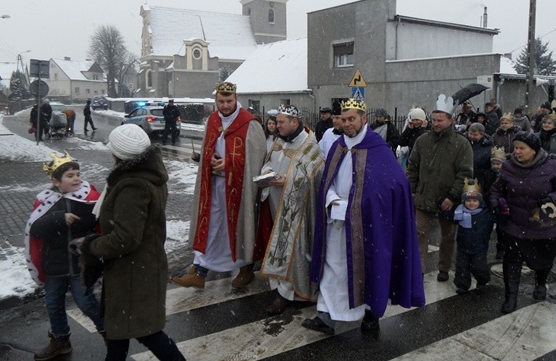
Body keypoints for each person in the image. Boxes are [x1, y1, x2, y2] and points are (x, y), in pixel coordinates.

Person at [303, 98, 424, 336]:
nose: (347, 124)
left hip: (369, 226)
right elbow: (328, 179)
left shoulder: (378, 148)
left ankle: (370, 316)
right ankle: (326, 316)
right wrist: (329, 199)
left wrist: (357, 206)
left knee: (370, 269)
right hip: (336, 222)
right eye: (344, 119)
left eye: (352, 119)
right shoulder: (338, 146)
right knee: (332, 269)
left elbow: (395, 184)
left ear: (363, 118)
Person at [85, 124, 186, 361]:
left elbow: (126, 238)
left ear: (119, 154)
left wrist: (92, 246)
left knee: (145, 333)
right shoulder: (148, 175)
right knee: (119, 334)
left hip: (133, 272)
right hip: (136, 268)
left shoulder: (133, 184)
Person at [173, 82, 266, 289]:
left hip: (240, 190)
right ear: (216, 100)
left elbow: (257, 159)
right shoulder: (213, 120)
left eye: (229, 101)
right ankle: (200, 271)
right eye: (221, 101)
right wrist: (211, 157)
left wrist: (230, 163)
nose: (225, 106)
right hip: (215, 185)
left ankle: (245, 269)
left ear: (237, 98)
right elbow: (208, 147)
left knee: (241, 227)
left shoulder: (250, 123)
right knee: (211, 225)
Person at [24, 152, 104, 360]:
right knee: (53, 303)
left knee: (86, 303)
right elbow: (35, 230)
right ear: (55, 181)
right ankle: (61, 340)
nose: (76, 178)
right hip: (55, 265)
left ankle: (109, 332)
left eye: (77, 174)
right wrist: (59, 218)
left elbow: (99, 223)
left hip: (80, 264)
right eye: (70, 175)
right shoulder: (46, 200)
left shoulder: (90, 197)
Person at [490, 132, 556, 314]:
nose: (517, 152)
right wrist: (497, 203)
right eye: (516, 148)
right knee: (511, 261)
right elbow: (496, 190)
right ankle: (510, 297)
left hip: (544, 225)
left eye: (522, 148)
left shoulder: (551, 164)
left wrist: (552, 198)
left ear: (534, 150)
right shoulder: (508, 166)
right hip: (514, 224)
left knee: (544, 259)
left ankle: (541, 282)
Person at [258, 105, 324, 315]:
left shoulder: (310, 146)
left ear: (295, 122)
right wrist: (268, 172)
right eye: (276, 122)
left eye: (280, 122)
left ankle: (288, 294)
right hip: (276, 202)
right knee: (278, 246)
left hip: (298, 208)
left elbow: (315, 175)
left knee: (295, 250)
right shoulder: (278, 140)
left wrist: (289, 181)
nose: (276, 126)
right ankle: (280, 287)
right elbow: (268, 162)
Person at [407, 97, 473, 283]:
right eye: (434, 120)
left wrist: (452, 196)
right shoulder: (422, 141)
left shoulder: (461, 144)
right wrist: (412, 191)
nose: (435, 123)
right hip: (423, 197)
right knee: (419, 234)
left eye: (440, 120)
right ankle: (417, 270)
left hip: (448, 200)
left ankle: (443, 268)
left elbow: (465, 173)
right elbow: (412, 167)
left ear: (451, 120)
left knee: (448, 237)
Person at [451, 179, 494, 294]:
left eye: (475, 200)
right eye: (468, 200)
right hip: (463, 245)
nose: (471, 203)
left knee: (479, 267)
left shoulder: (486, 213)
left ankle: (482, 280)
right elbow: (451, 219)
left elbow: (498, 219)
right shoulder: (460, 212)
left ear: (480, 201)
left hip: (479, 246)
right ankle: (462, 285)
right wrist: (445, 209)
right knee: (461, 267)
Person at [465, 122, 494, 195]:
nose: (471, 136)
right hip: (466, 174)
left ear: (482, 135)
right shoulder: (465, 141)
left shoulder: (488, 145)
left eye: (475, 135)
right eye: (470, 133)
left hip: (481, 177)